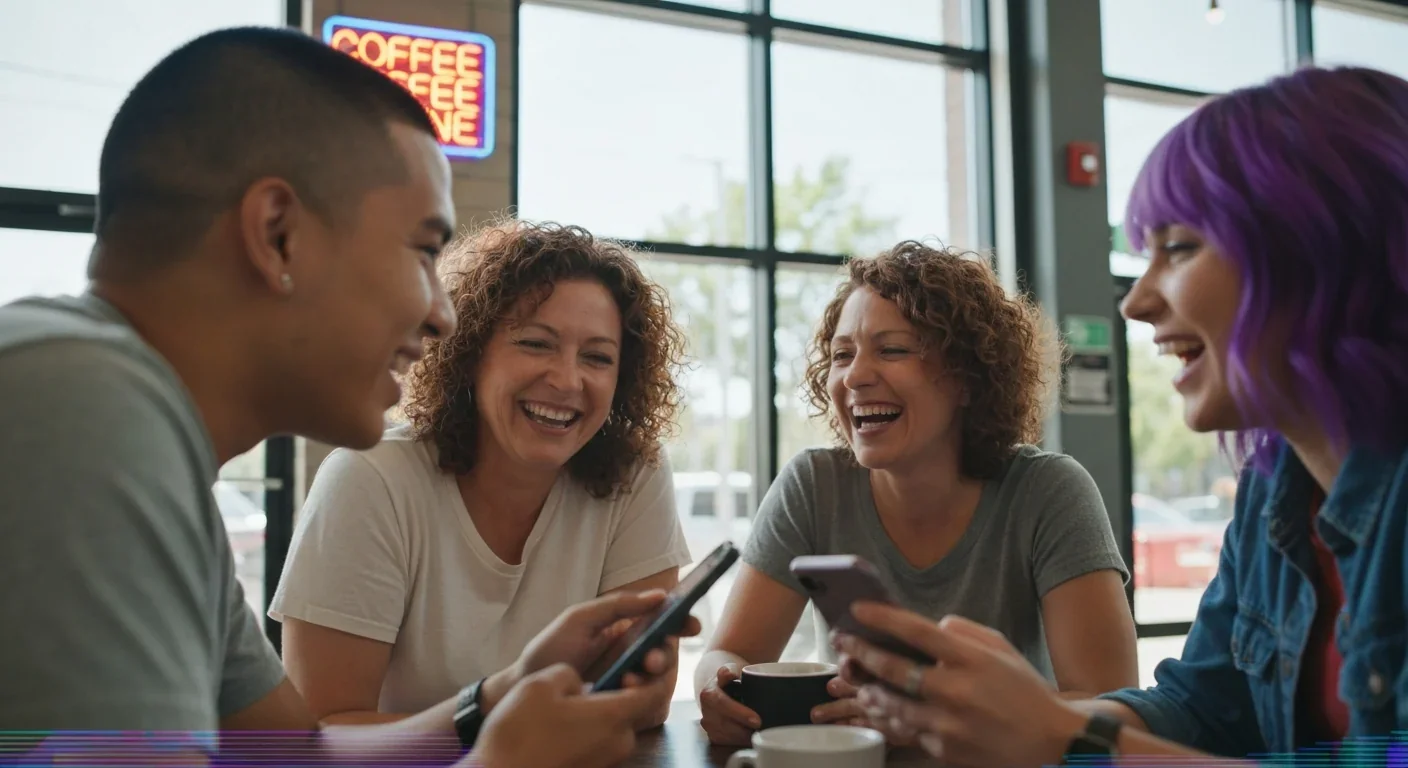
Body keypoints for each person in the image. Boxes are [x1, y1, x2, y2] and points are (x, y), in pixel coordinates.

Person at [0, 26, 688, 768]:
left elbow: (294, 754)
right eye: (423, 250)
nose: (441, 314)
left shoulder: (138, 440)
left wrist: (499, 697)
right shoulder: (81, 412)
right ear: (279, 235)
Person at [833, 65, 1408, 767]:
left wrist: (1063, 736)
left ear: (1324, 253)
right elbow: (1203, 709)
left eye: (1181, 248)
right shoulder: (1274, 490)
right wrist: (1012, 711)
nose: (1135, 303)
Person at [695, 240, 1138, 745]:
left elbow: (1108, 702)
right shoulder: (814, 485)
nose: (855, 376)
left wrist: (919, 717)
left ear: (969, 379)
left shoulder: (1049, 492)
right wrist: (717, 685)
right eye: (842, 355)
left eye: (893, 350)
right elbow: (729, 654)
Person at [269, 219, 693, 727]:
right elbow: (321, 733)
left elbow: (640, 704)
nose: (566, 379)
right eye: (536, 344)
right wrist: (499, 724)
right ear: (471, 353)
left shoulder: (635, 475)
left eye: (597, 357)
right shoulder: (371, 478)